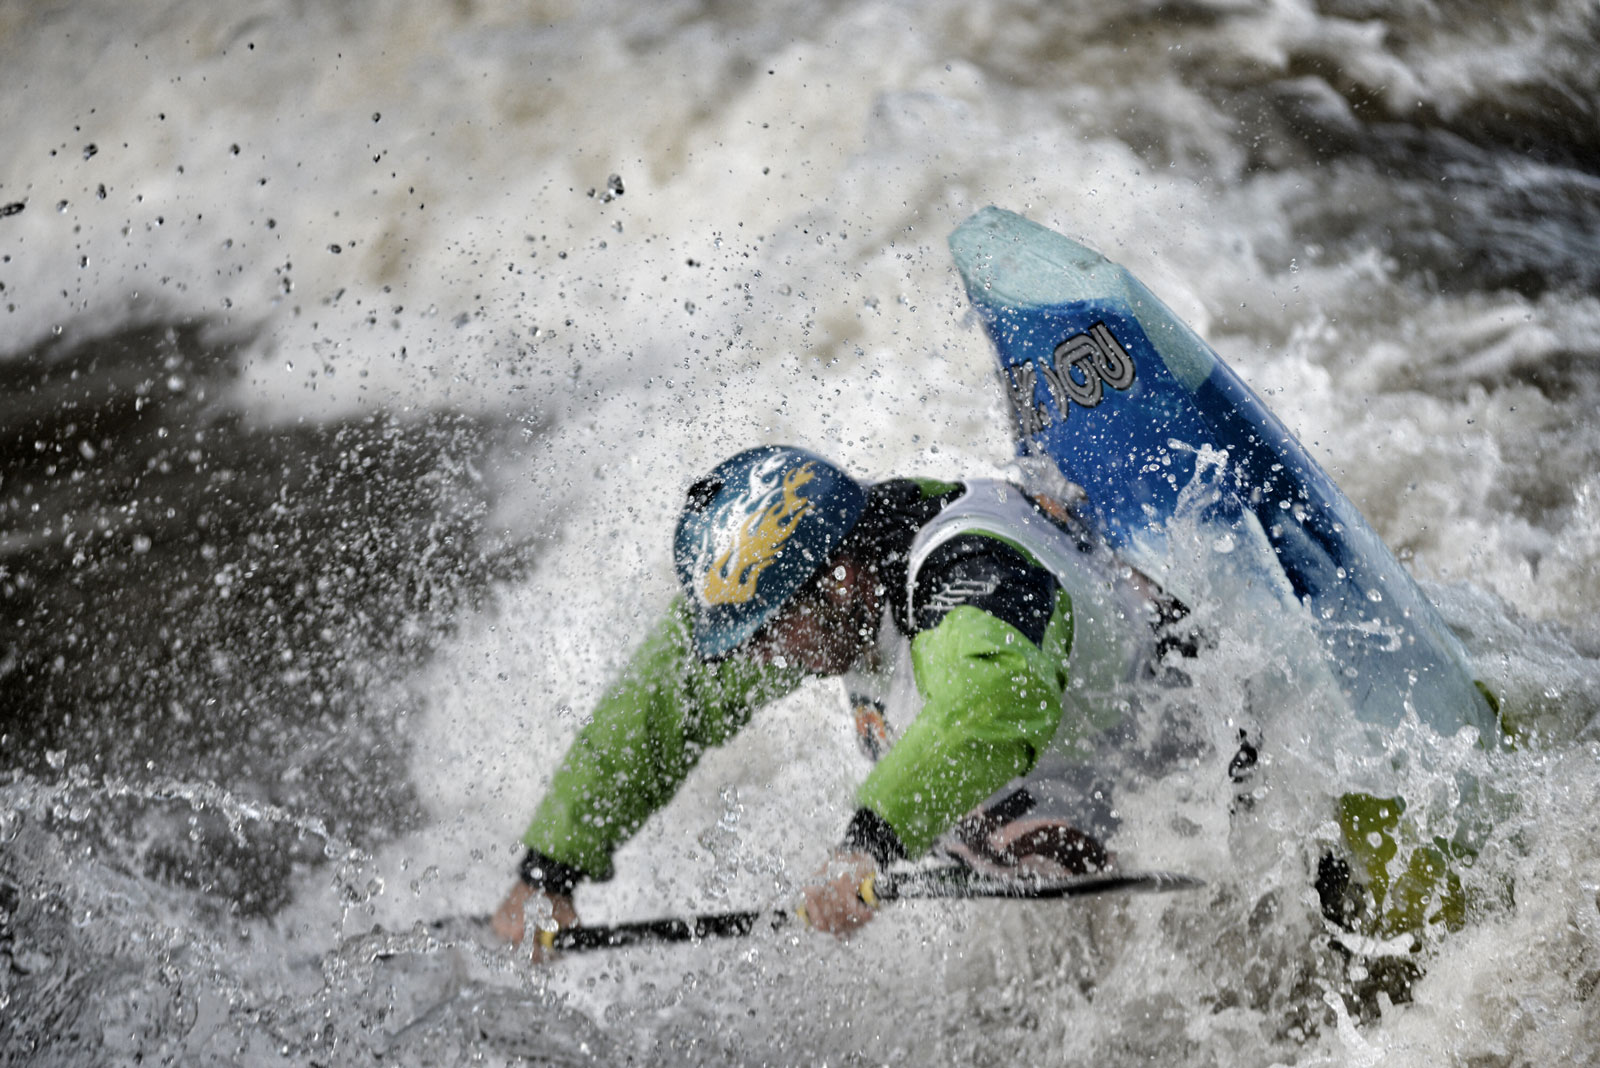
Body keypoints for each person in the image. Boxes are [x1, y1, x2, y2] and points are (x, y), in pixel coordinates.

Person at [491, 444, 1189, 950]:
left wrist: (868, 846)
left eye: (767, 633)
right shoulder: (812, 582)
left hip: (1182, 775)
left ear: (841, 580)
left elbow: (996, 702)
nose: (758, 656)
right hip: (1051, 801)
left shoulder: (967, 569)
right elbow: (661, 704)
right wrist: (550, 871)